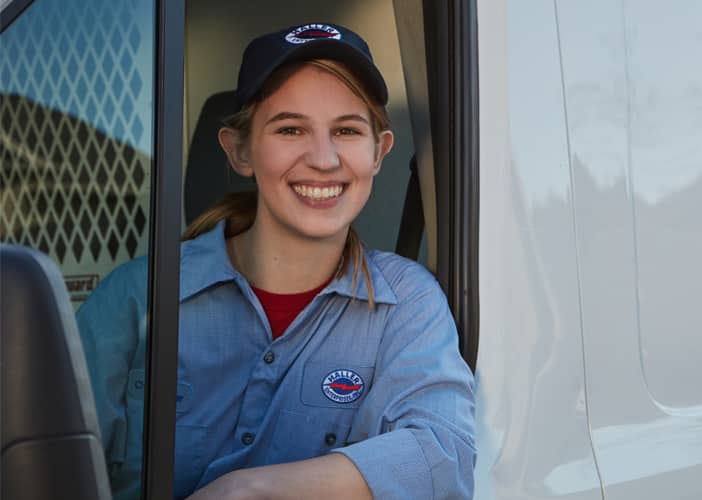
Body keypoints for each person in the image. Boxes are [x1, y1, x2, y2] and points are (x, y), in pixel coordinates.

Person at [77, 22, 475, 500]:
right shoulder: (136, 296)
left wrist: (247, 490)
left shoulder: (407, 301)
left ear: (378, 153)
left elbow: (442, 457)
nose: (324, 159)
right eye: (291, 128)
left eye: (347, 130)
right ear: (240, 150)